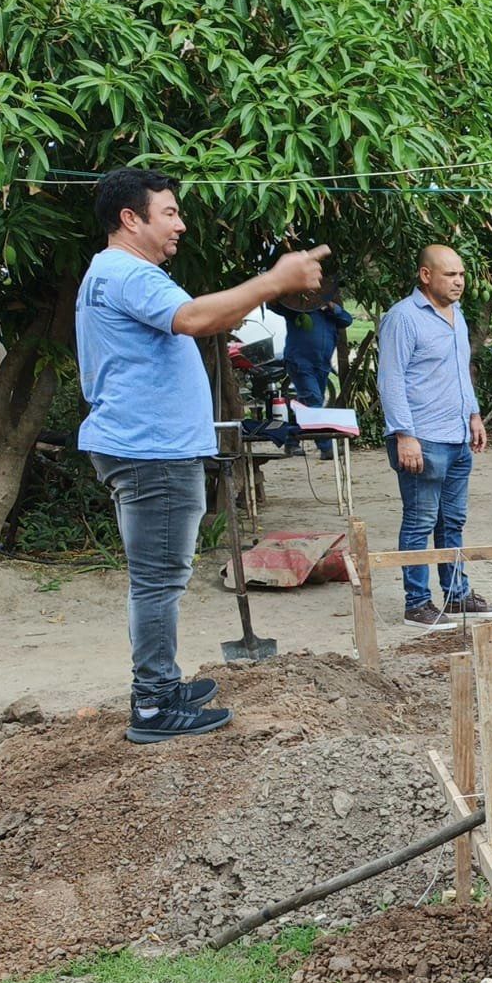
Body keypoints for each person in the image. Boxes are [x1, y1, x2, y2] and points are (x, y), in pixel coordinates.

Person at [77, 167, 329, 743]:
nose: (180, 225)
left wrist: (265, 287)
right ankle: (153, 705)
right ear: (129, 219)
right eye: (168, 213)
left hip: (146, 447)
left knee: (159, 577)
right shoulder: (127, 270)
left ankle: (161, 684)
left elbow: (205, 318)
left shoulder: (117, 274)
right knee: (158, 580)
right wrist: (273, 280)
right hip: (150, 452)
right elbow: (195, 319)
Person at [377, 245, 492, 631]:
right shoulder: (403, 318)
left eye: (462, 274)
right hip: (422, 439)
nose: (459, 281)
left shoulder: (457, 317)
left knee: (453, 521)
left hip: (456, 437)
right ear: (425, 275)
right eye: (450, 274)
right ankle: (416, 604)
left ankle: (457, 596)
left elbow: (460, 372)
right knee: (419, 521)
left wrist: (474, 415)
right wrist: (404, 435)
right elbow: (391, 380)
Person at [281, 292, 354, 458]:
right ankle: (326, 446)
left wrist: (330, 306)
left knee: (309, 405)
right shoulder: (298, 309)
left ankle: (291, 438)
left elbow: (347, 320)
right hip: (300, 362)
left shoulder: (330, 312)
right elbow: (278, 306)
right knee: (314, 402)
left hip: (321, 365)